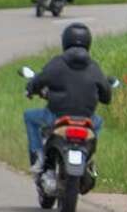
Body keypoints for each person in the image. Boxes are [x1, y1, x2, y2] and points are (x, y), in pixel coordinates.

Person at [23, 22, 111, 173]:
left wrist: (30, 89)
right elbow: (106, 96)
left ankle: (38, 156)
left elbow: (38, 81)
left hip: (57, 117)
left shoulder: (57, 63)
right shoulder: (94, 67)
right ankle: (89, 159)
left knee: (29, 116)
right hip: (87, 120)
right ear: (88, 42)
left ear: (65, 41)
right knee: (99, 122)